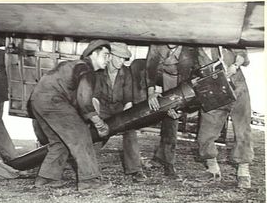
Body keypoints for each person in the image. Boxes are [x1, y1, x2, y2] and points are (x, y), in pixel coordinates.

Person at [30, 39, 112, 191]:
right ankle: (89, 180)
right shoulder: (86, 69)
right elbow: (84, 100)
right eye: (106, 55)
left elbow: (75, 100)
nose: (109, 60)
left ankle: (47, 178)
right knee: (81, 136)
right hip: (53, 101)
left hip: (37, 100)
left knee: (59, 141)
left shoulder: (75, 65)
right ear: (94, 54)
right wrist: (99, 123)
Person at [196, 46, 254, 188]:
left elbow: (242, 54)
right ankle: (212, 169)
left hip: (237, 89)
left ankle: (243, 171)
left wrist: (235, 65)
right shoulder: (194, 49)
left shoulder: (226, 40)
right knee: (206, 132)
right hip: (213, 93)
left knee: (242, 130)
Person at [92, 42, 147, 183]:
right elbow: (95, 98)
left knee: (130, 131)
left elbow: (128, 99)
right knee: (96, 135)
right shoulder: (98, 72)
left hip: (119, 109)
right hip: (102, 109)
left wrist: (126, 120)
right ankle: (90, 170)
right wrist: (98, 121)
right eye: (120, 58)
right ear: (110, 56)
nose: (122, 62)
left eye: (124, 59)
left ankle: (135, 170)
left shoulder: (126, 72)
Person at [146, 44, 198, 179]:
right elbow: (150, 68)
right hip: (159, 78)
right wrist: (151, 92)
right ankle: (160, 157)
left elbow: (187, 81)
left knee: (172, 118)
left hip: (179, 82)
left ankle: (169, 162)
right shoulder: (156, 45)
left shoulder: (188, 51)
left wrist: (180, 108)